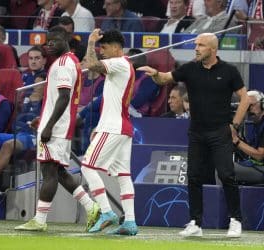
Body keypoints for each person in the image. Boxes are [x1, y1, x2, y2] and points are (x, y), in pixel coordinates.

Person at [138, 32, 249, 237]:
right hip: (197, 132)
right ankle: (195, 223)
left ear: (213, 49)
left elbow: (245, 99)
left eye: (201, 45)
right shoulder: (189, 69)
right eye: (196, 44)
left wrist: (235, 124)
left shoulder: (229, 71)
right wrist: (155, 73)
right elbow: (165, 79)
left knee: (226, 175)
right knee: (194, 177)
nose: (196, 48)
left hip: (220, 132)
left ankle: (235, 220)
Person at [15, 26, 100, 232]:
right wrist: (43, 120)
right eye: (48, 42)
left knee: (49, 171)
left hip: (57, 126)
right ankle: (92, 207)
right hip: (60, 124)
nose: (49, 45)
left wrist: (49, 126)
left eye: (54, 41)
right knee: (59, 172)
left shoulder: (63, 64)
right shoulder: (69, 61)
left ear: (65, 39)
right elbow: (58, 99)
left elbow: (63, 98)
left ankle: (40, 220)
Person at [81, 29, 138, 236]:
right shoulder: (123, 66)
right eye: (99, 48)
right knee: (123, 176)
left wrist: (90, 43)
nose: (101, 51)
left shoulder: (120, 63)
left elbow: (91, 65)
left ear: (116, 47)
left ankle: (106, 212)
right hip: (122, 127)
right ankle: (130, 222)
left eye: (104, 47)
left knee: (87, 168)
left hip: (113, 127)